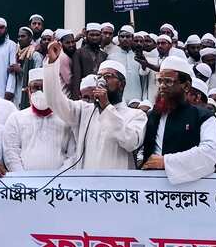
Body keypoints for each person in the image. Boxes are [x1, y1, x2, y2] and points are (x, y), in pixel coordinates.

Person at [42, 41, 146, 170]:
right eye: (99, 77)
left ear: (121, 84)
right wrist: (52, 64)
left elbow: (130, 142)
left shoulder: (136, 115)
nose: (102, 81)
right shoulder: (84, 110)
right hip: (88, 187)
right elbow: (54, 100)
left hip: (117, 186)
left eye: (108, 76)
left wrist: (107, 107)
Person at [139, 56, 216, 186]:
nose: (162, 86)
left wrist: (165, 162)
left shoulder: (204, 116)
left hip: (192, 190)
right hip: (153, 189)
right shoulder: (152, 116)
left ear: (186, 86)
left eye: (168, 81)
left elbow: (209, 152)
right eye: (159, 81)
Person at [2, 67, 74, 171]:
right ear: (29, 91)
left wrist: (58, 179)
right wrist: (24, 179)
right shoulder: (15, 119)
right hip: (24, 183)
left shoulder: (66, 119)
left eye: (45, 87)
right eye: (36, 87)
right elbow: (11, 153)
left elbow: (72, 155)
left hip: (59, 184)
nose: (40, 92)